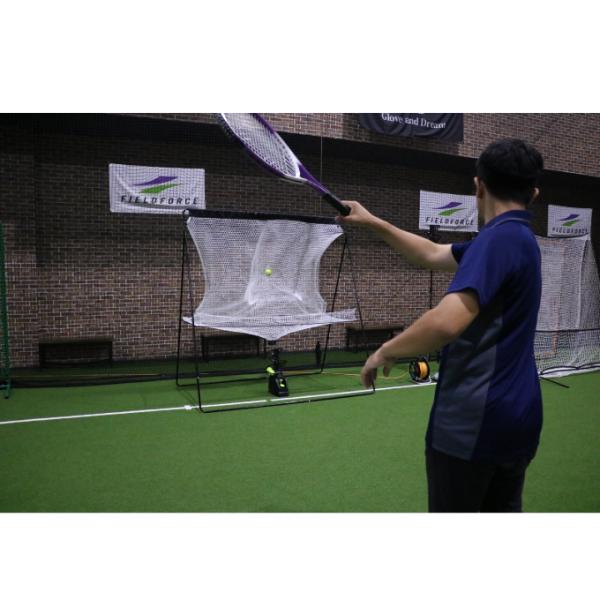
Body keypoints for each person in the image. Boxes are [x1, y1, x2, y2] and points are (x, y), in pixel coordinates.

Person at [338, 138, 544, 512]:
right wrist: (372, 221)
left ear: (478, 186)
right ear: (533, 193)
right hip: (519, 417)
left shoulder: (496, 241)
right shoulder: (520, 239)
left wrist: (386, 350)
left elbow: (447, 322)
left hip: (474, 423)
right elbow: (432, 253)